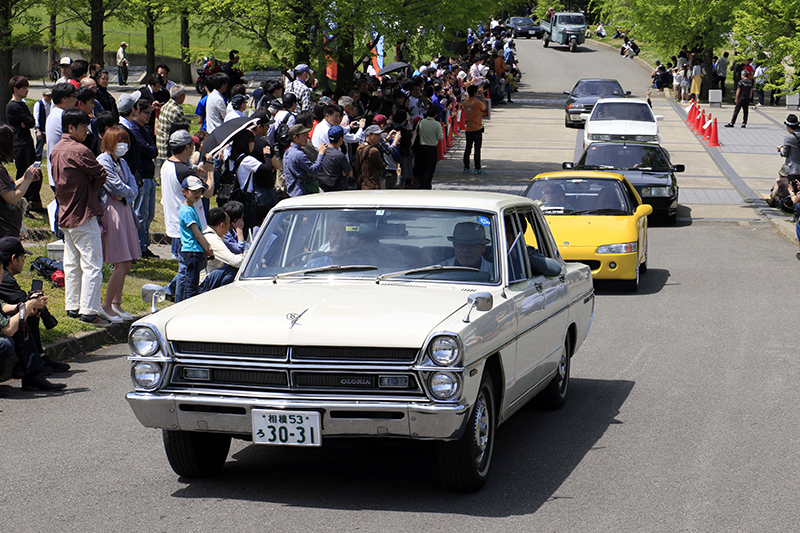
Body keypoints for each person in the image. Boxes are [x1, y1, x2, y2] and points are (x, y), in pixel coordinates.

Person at [50, 108, 108, 324]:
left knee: (72, 264)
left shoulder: (56, 149)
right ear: (71, 128)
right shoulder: (80, 150)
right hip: (83, 214)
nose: (87, 130)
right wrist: (92, 187)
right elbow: (101, 174)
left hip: (65, 213)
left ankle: (72, 306)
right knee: (92, 265)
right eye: (84, 126)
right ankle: (89, 310)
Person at [0, 246, 63, 391]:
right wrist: (28, 306)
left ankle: (33, 375)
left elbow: (3, 306)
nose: (3, 273)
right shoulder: (6, 280)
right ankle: (33, 373)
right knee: (6, 342)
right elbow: (8, 330)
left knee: (21, 318)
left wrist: (24, 306)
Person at [96, 126, 140, 322]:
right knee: (121, 261)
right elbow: (113, 186)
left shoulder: (121, 162)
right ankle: (106, 305)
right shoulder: (103, 161)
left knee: (125, 262)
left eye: (125, 141)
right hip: (112, 212)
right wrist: (126, 192)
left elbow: (132, 186)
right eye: (119, 141)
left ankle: (116, 303)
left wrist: (126, 193)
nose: (123, 146)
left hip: (124, 210)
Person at [162, 130, 213, 262]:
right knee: (188, 268)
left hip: (176, 221)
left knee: (183, 268)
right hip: (189, 225)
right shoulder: (184, 171)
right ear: (187, 147)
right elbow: (208, 192)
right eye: (192, 144)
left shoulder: (167, 165)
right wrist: (210, 170)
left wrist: (194, 172)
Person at [177, 176, 214, 302]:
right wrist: (207, 248)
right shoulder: (187, 211)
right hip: (191, 250)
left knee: (192, 282)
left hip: (196, 250)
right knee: (190, 285)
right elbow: (197, 233)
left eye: (199, 191)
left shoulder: (191, 208)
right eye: (193, 191)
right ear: (184, 192)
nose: (197, 194)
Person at [0, 126, 41, 239]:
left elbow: (8, 188)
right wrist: (27, 181)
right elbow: (12, 198)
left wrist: (24, 178)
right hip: (5, 230)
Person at [6, 76, 38, 213]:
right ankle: (20, 204)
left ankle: (32, 201)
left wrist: (28, 121)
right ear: (16, 89)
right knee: (23, 173)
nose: (27, 90)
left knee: (35, 172)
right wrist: (27, 122)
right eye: (24, 88)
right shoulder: (13, 106)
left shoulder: (23, 104)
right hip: (20, 143)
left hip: (28, 141)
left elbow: (31, 121)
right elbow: (29, 121)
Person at [200, 207, 246, 291]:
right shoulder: (212, 239)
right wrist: (252, 259)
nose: (230, 225)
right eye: (228, 222)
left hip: (212, 275)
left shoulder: (215, 235)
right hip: (204, 282)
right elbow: (234, 261)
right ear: (222, 225)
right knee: (233, 268)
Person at [45, 83, 77, 191]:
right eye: (74, 96)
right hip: (63, 173)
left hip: (56, 172)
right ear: (64, 98)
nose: (76, 100)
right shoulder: (63, 116)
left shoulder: (54, 114)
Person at [283, 124, 328, 196]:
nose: (306, 137)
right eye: (303, 135)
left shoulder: (288, 151)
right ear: (295, 137)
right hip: (302, 191)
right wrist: (321, 154)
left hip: (293, 191)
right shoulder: (298, 154)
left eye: (306, 135)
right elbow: (314, 170)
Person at [413, 106, 444, 189]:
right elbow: (440, 137)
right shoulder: (437, 124)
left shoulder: (421, 122)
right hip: (432, 149)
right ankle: (427, 184)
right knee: (430, 169)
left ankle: (421, 184)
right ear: (435, 114)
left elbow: (416, 133)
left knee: (421, 167)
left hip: (421, 148)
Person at [155, 85, 187, 160]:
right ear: (181, 97)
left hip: (160, 147)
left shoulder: (165, 106)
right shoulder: (176, 110)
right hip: (169, 150)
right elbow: (183, 130)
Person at [318, 125, 353, 191]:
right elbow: (350, 173)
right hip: (339, 190)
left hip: (325, 188)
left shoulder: (322, 151)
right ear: (341, 139)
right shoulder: (339, 155)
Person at [462, 84, 486, 175]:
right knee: (477, 149)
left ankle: (466, 167)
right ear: (475, 93)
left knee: (468, 148)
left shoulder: (465, 102)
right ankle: (477, 168)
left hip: (468, 128)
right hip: (477, 128)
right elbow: (484, 108)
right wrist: (482, 97)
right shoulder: (478, 103)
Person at [33, 88, 52, 164]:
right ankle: (37, 163)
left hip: (47, 130)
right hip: (41, 130)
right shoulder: (39, 104)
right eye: (48, 96)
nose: (50, 98)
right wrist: (37, 130)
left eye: (50, 96)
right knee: (39, 149)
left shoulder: (50, 105)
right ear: (44, 95)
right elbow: (36, 117)